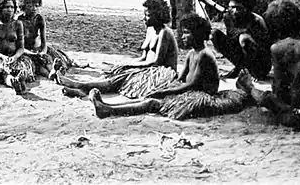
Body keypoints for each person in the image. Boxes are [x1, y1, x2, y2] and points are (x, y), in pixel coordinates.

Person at [89, 15, 248, 121]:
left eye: (187, 33)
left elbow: (192, 84)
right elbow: (180, 78)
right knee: (152, 96)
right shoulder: (192, 53)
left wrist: (166, 92)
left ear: (198, 34)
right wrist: (165, 87)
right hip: (189, 90)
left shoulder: (204, 55)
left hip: (201, 95)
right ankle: (109, 107)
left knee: (153, 103)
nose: (183, 37)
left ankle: (110, 110)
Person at [237, 0, 300, 129]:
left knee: (265, 97)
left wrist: (253, 90)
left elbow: (280, 93)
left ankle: (248, 87)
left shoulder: (279, 48)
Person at [58, 0, 178, 99]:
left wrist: (128, 66)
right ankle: (83, 89)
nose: (144, 18)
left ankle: (81, 86)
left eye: (148, 15)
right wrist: (125, 64)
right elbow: (144, 58)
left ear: (158, 16)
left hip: (161, 71)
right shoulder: (150, 30)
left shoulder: (164, 33)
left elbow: (156, 62)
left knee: (121, 78)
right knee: (116, 70)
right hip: (148, 66)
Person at [211, 0, 272, 79]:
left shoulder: (256, 20)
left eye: (239, 8)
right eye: (232, 7)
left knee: (244, 38)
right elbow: (232, 42)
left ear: (246, 8)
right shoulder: (228, 17)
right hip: (242, 59)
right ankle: (239, 69)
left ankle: (251, 73)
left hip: (260, 64)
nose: (235, 11)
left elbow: (265, 50)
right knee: (215, 34)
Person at [16, 0, 74, 79]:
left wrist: (43, 52)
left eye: (36, 6)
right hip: (23, 49)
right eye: (30, 6)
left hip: (36, 47)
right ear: (23, 7)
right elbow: (18, 44)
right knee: (36, 64)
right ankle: (50, 75)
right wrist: (32, 53)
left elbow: (44, 40)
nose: (34, 9)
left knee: (46, 59)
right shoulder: (18, 20)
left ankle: (53, 71)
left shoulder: (39, 18)